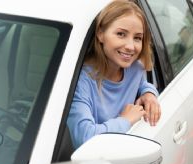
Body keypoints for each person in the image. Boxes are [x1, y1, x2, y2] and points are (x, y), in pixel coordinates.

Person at [67, 0, 160, 149]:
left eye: (137, 38)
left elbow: (141, 83)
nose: (130, 47)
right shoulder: (81, 81)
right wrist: (125, 120)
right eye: (121, 34)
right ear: (101, 34)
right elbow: (84, 138)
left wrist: (149, 93)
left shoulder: (135, 67)